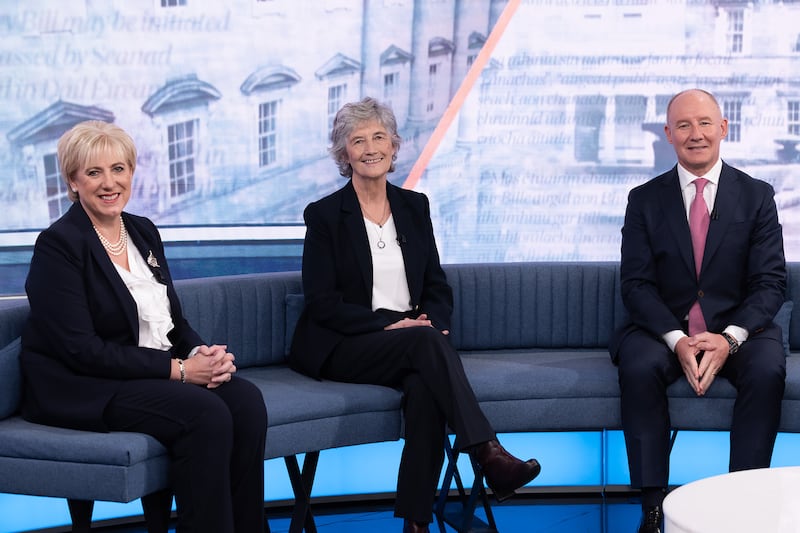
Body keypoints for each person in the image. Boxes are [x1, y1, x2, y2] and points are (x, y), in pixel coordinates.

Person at [288, 96, 541, 533]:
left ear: (394, 146)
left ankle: (416, 523)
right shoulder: (325, 216)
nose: (370, 148)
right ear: (344, 154)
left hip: (410, 342)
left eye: (379, 137)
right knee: (424, 345)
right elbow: (322, 303)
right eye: (358, 140)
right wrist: (394, 323)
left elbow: (437, 285)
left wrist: (433, 325)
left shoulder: (413, 206)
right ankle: (488, 452)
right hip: (345, 344)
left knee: (426, 387)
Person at [19, 121, 268, 533]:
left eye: (119, 169)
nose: (109, 183)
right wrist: (182, 372)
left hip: (146, 373)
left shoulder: (142, 230)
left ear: (132, 173)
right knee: (204, 412)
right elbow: (81, 350)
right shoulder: (58, 245)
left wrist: (201, 354)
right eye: (94, 172)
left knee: (244, 401)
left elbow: (173, 321)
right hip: (85, 385)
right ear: (73, 182)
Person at [610, 89, 787, 533]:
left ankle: (744, 501)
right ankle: (654, 504)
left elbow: (770, 283)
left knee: (767, 368)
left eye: (705, 123)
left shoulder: (757, 196)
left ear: (723, 129)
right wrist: (677, 338)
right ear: (668, 134)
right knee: (638, 366)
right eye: (684, 126)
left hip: (739, 329)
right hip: (662, 330)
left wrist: (729, 338)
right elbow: (636, 285)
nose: (696, 134)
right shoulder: (644, 200)